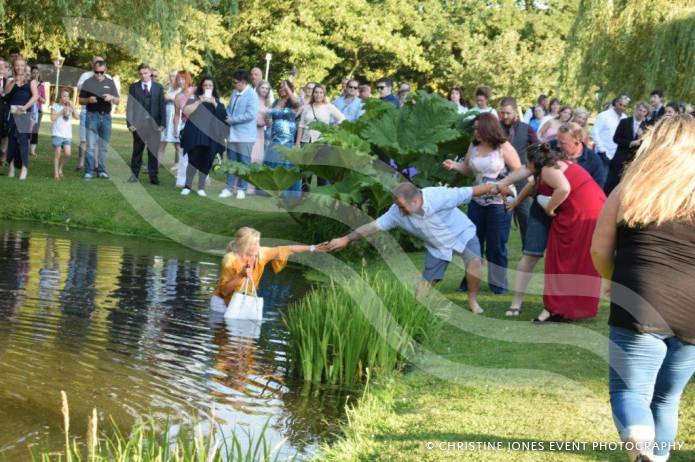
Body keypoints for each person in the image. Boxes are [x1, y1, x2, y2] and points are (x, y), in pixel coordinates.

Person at [590, 114, 695, 462]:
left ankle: (642, 451)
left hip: (639, 295)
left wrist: (610, 281)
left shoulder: (631, 186)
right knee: (667, 399)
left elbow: (599, 249)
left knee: (630, 391)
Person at [325, 181, 509, 314]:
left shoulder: (439, 196)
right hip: (437, 245)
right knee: (427, 282)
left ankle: (472, 300)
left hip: (461, 233)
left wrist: (499, 187)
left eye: (402, 206)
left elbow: (474, 190)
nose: (399, 210)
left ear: (415, 200)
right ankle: (414, 310)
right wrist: (346, 239)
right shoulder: (396, 212)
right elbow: (373, 226)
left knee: (474, 263)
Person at [500, 123, 606, 316]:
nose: (559, 143)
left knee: (570, 258)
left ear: (577, 139)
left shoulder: (588, 159)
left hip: (569, 211)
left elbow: (566, 188)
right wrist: (513, 198)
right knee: (531, 255)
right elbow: (532, 181)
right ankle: (516, 303)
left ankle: (566, 303)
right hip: (548, 210)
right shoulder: (549, 155)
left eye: (563, 140)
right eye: (558, 140)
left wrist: (550, 207)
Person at [443, 113, 522, 294]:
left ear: (489, 128)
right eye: (475, 129)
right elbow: (467, 168)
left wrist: (502, 185)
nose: (476, 132)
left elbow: (519, 171)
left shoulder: (503, 147)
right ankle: (469, 282)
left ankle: (498, 285)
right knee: (472, 242)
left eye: (479, 128)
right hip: (477, 200)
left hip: (499, 202)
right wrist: (454, 165)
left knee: (496, 244)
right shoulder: (474, 145)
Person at [527, 142, 605, 323]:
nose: (527, 167)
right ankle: (568, 306)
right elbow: (528, 179)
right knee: (579, 261)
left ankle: (554, 308)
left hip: (579, 214)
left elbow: (564, 188)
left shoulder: (547, 170)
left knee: (558, 259)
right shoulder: (559, 163)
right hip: (594, 211)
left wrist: (550, 208)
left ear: (534, 161)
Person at [211, 227, 326, 310]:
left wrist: (313, 248)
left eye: (258, 242)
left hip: (242, 302)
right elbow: (224, 291)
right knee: (225, 338)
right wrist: (241, 275)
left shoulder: (261, 253)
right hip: (222, 304)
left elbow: (288, 249)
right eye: (254, 244)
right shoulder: (230, 260)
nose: (258, 246)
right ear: (244, 246)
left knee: (247, 341)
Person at [498, 97, 539, 248]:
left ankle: (528, 248)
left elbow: (537, 149)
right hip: (500, 177)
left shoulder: (526, 128)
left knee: (525, 214)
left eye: (508, 113)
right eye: (502, 113)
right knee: (501, 215)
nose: (505, 116)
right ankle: (499, 248)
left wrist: (533, 173)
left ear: (515, 111)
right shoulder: (494, 129)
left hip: (522, 176)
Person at [180, 76, 228, 197]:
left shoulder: (218, 102)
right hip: (195, 134)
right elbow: (186, 111)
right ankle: (187, 186)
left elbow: (223, 117)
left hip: (211, 136)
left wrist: (214, 103)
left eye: (210, 86)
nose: (207, 87)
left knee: (206, 161)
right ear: (202, 87)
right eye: (205, 85)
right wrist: (199, 101)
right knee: (193, 161)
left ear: (213, 87)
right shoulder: (194, 99)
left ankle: (201, 188)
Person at [219, 69, 259, 200]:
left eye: (235, 82)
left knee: (244, 163)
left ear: (243, 82)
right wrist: (227, 115)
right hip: (232, 134)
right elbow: (230, 107)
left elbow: (251, 115)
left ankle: (242, 188)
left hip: (245, 136)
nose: (233, 84)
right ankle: (229, 188)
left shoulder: (252, 95)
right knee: (231, 161)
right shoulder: (235, 92)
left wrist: (233, 120)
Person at [79, 57, 119, 180]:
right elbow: (80, 100)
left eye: (102, 72)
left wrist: (112, 97)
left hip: (106, 117)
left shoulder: (110, 82)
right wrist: (88, 100)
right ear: (93, 70)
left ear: (105, 70)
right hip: (92, 116)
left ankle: (101, 171)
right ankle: (89, 171)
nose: (99, 75)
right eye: (97, 72)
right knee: (90, 145)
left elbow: (118, 101)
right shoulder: (88, 82)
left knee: (104, 146)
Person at [125, 63, 165, 185]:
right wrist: (129, 123)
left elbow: (162, 106)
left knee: (153, 151)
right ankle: (134, 175)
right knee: (137, 150)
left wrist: (163, 123)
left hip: (154, 125)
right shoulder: (134, 87)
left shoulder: (158, 87)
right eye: (141, 74)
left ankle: (154, 177)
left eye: (146, 73)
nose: (143, 76)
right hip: (138, 124)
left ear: (150, 73)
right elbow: (130, 106)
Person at [604, 101, 649, 195]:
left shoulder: (647, 127)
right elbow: (616, 138)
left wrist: (642, 137)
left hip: (633, 161)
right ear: (635, 110)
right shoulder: (624, 122)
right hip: (619, 159)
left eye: (644, 111)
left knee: (625, 187)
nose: (641, 113)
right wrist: (630, 143)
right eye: (639, 110)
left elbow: (647, 145)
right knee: (611, 184)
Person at [4, 57, 38, 180]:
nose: (19, 67)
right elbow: (5, 93)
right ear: (14, 67)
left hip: (24, 114)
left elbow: (35, 97)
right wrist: (13, 82)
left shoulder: (31, 81)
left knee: (23, 141)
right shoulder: (10, 80)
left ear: (25, 66)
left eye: (21, 65)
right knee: (12, 141)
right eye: (17, 65)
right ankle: (11, 168)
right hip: (12, 114)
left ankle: (24, 168)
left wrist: (25, 107)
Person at [265, 79, 300, 197]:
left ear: (290, 89)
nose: (282, 89)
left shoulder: (293, 102)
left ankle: (286, 192)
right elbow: (267, 115)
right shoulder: (275, 102)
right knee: (272, 164)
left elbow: (296, 103)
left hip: (288, 139)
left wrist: (288, 88)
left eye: (285, 87)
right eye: (280, 87)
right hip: (275, 138)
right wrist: (269, 122)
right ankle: (272, 190)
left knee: (286, 165)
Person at [591, 95, 629, 167]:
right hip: (602, 155)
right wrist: (602, 151)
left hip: (617, 156)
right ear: (615, 103)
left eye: (624, 106)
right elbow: (594, 133)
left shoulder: (625, 118)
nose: (621, 107)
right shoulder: (604, 115)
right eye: (620, 104)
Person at [50, 89, 79, 180]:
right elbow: (52, 118)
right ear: (60, 97)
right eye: (64, 96)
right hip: (57, 133)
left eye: (67, 96)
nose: (66, 98)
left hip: (67, 135)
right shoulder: (55, 106)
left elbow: (77, 117)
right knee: (57, 153)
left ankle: (60, 168)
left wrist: (73, 108)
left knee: (67, 154)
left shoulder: (70, 107)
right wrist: (61, 111)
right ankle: (56, 173)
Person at [174, 71, 196, 187]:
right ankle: (181, 180)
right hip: (185, 127)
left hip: (199, 127)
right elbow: (177, 115)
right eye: (178, 79)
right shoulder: (178, 97)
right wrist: (175, 130)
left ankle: (203, 177)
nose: (180, 81)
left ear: (188, 79)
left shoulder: (197, 92)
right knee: (184, 155)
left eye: (182, 78)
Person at [158, 70, 182, 171]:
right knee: (162, 141)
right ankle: (155, 164)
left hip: (176, 116)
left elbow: (182, 102)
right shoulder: (168, 88)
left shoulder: (181, 89)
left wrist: (170, 98)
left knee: (178, 144)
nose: (172, 78)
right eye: (171, 76)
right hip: (166, 116)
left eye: (175, 76)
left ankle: (178, 164)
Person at [29, 65, 45, 157]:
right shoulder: (28, 83)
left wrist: (37, 96)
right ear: (31, 74)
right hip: (29, 109)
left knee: (35, 131)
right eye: (33, 73)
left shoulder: (41, 86)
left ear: (39, 74)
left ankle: (33, 150)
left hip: (38, 111)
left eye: (36, 73)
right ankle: (25, 147)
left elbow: (44, 100)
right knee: (27, 130)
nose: (35, 74)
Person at [0, 58, 11, 165]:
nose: (1, 69)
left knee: (5, 134)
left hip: (4, 111)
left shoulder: (8, 80)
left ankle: (3, 157)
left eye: (3, 67)